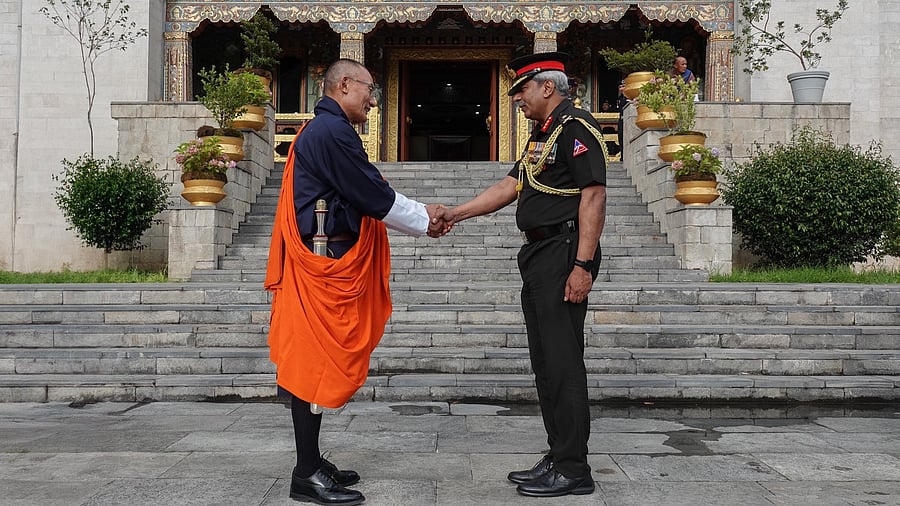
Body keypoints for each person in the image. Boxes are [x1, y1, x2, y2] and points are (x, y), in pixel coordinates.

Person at [264, 58, 448, 506]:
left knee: (315, 363)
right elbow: (370, 193)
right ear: (344, 85)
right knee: (309, 365)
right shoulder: (330, 132)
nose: (373, 99)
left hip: (330, 257)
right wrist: (427, 218)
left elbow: (363, 190)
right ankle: (305, 472)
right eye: (370, 89)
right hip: (322, 264)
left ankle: (311, 461)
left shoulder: (324, 130)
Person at [443, 52, 607, 498]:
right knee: (546, 364)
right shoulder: (544, 134)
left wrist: (583, 266)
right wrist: (455, 213)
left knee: (563, 362)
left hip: (563, 252)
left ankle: (574, 468)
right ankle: (559, 454)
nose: (516, 98)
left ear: (547, 87)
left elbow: (593, 197)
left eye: (522, 90)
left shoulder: (577, 128)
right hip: (539, 254)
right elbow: (510, 186)